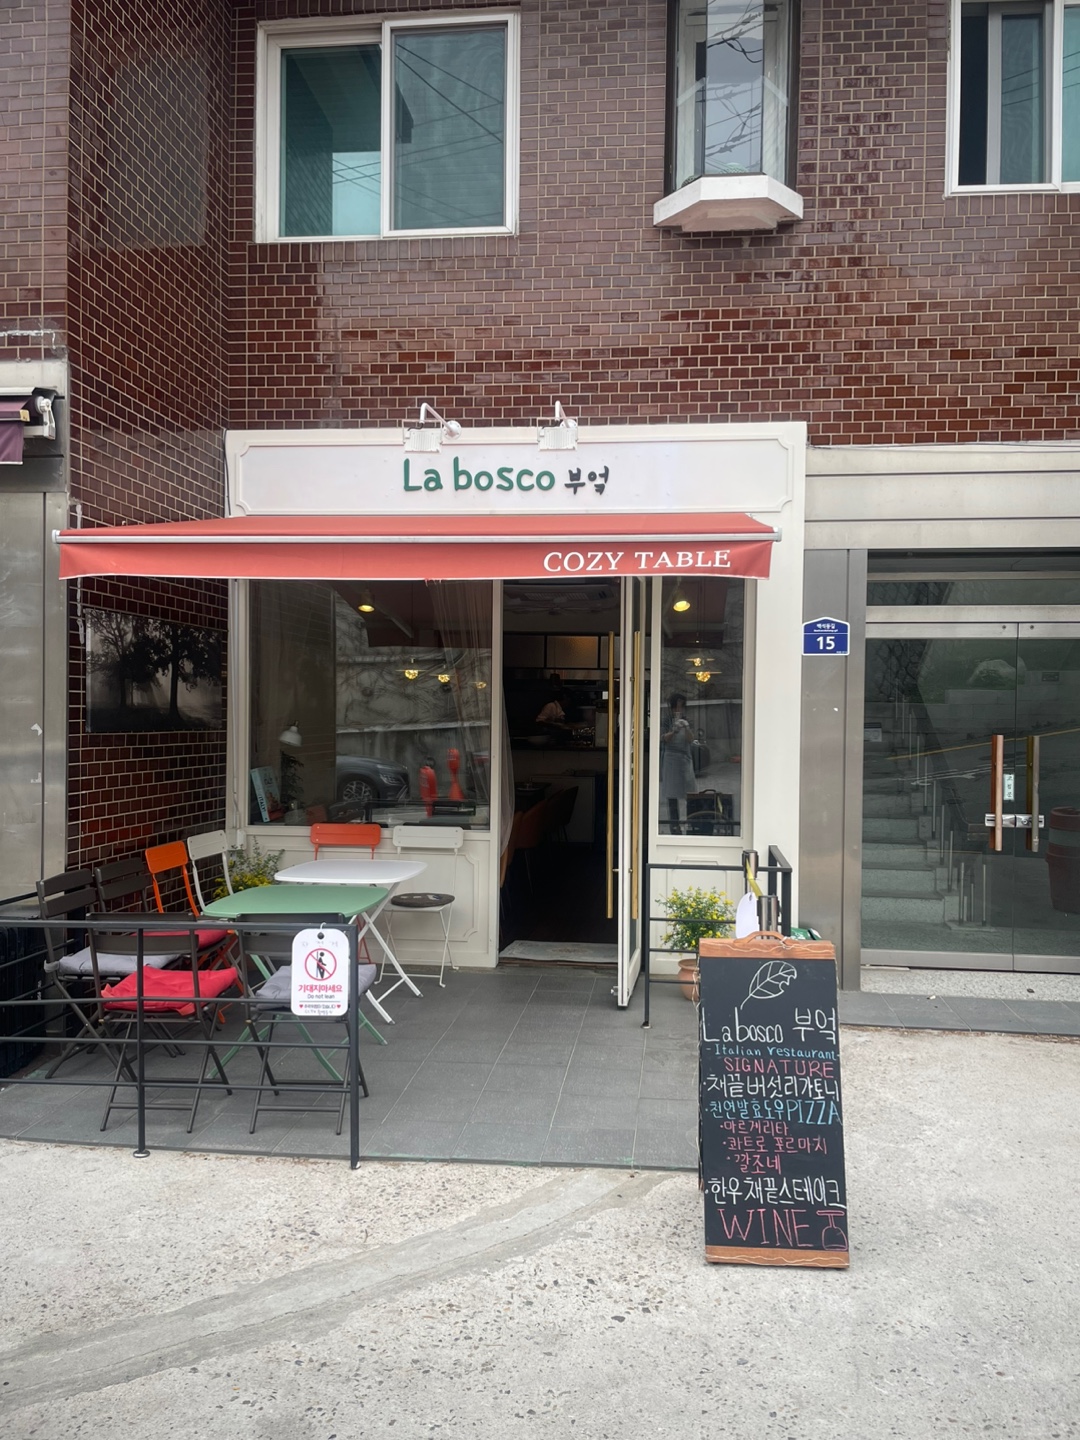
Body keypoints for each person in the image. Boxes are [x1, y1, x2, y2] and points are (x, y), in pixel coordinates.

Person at [661, 692, 695, 834]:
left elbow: (691, 739)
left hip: (684, 759)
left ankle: (692, 825)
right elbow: (664, 738)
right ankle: (674, 828)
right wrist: (673, 731)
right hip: (671, 760)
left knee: (690, 794)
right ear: (672, 707)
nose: (679, 709)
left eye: (681, 706)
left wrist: (686, 728)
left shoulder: (687, 720)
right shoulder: (666, 720)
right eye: (677, 706)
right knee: (672, 796)